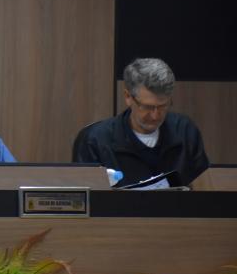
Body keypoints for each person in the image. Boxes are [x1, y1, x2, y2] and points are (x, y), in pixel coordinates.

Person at [73, 58, 209, 187]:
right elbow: (86, 197)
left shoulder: (185, 131)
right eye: (147, 107)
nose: (155, 116)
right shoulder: (95, 140)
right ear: (128, 97)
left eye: (163, 106)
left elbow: (204, 188)